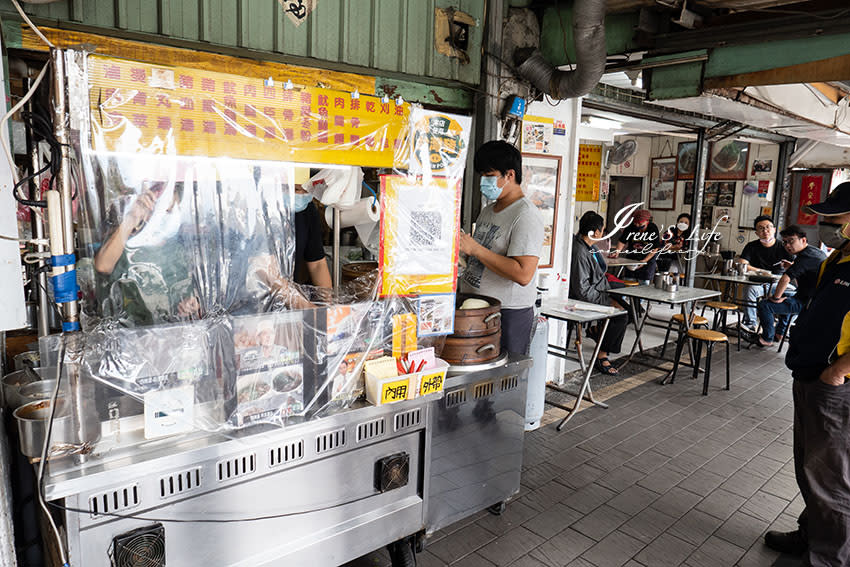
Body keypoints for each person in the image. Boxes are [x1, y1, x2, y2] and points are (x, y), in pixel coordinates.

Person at [764, 181, 850, 565]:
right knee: (810, 466)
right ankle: (810, 534)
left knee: (831, 475)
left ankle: (829, 558)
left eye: (835, 218)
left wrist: (838, 372)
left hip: (835, 383)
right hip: (811, 374)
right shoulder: (840, 257)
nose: (826, 225)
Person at [459, 140, 543, 356]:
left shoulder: (525, 215)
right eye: (482, 175)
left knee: (504, 381)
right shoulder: (488, 210)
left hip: (507, 314)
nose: (483, 181)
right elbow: (484, 257)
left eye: (489, 175)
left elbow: (524, 273)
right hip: (477, 308)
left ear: (510, 175)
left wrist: (476, 249)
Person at [93, 181, 200, 325]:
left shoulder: (177, 251)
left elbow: (182, 298)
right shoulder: (127, 246)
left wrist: (188, 306)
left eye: (169, 211)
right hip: (128, 338)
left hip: (167, 337)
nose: (162, 217)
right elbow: (102, 266)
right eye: (158, 210)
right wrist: (131, 218)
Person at [570, 212, 628, 375]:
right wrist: (606, 301)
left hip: (600, 287)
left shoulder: (588, 246)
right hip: (586, 296)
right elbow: (582, 290)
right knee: (621, 316)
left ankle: (598, 331)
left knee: (634, 307)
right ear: (596, 232)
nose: (603, 232)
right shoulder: (580, 252)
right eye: (602, 229)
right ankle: (601, 355)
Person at [755, 225, 826, 347]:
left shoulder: (805, 257)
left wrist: (776, 298)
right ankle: (780, 333)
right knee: (785, 295)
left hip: (809, 302)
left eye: (791, 241)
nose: (787, 245)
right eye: (785, 242)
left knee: (765, 305)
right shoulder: (814, 252)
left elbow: (785, 278)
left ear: (803, 240)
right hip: (812, 297)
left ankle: (767, 338)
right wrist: (792, 267)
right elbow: (803, 278)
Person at [739, 215, 794, 331]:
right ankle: (750, 324)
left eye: (768, 227)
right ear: (756, 232)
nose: (765, 231)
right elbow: (743, 264)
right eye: (761, 228)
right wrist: (761, 271)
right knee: (749, 289)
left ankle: (782, 329)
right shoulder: (751, 246)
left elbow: (795, 266)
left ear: (774, 229)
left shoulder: (784, 247)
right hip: (758, 282)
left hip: (778, 282)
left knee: (794, 294)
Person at [613, 209, 660, 283]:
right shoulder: (630, 227)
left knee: (643, 285)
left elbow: (655, 248)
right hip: (631, 260)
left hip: (647, 260)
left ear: (647, 221)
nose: (637, 225)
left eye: (640, 224)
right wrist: (617, 252)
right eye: (636, 223)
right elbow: (622, 241)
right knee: (628, 283)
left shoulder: (653, 228)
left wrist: (644, 261)